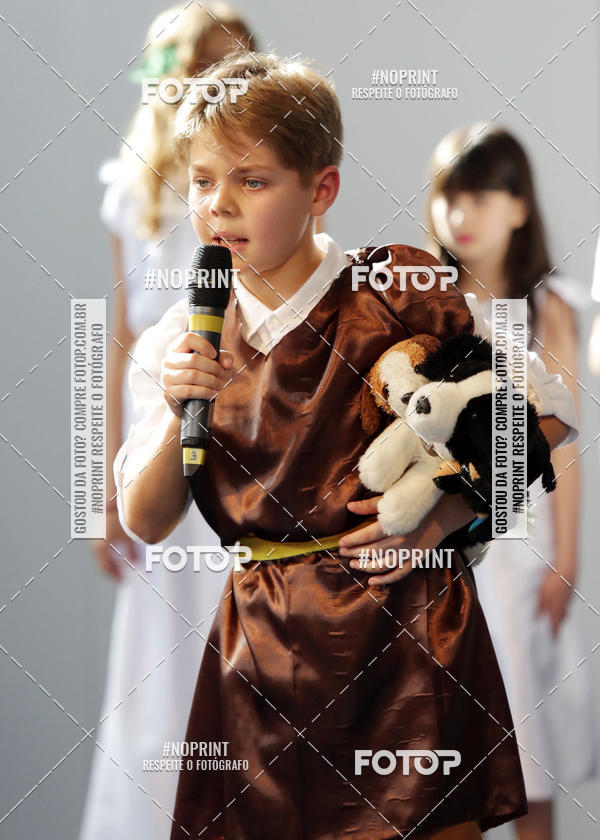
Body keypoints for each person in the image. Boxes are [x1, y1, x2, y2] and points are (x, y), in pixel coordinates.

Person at [115, 53, 579, 840]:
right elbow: (146, 519)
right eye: (201, 182)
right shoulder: (180, 338)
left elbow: (553, 412)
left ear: (320, 190)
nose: (219, 205)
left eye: (251, 181)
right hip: (262, 657)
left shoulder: (397, 294)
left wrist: (449, 519)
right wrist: (175, 406)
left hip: (407, 654)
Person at [79, 6, 257, 840]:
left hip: (235, 410)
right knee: (160, 649)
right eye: (201, 67)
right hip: (158, 415)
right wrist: (100, 487)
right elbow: (118, 336)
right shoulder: (136, 186)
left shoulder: (252, 176)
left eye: (234, 66)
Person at [424, 124, 598, 840]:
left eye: (480, 197)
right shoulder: (427, 306)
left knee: (531, 743)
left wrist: (565, 558)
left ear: (519, 206)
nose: (459, 215)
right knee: (445, 748)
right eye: (448, 197)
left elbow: (565, 444)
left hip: (522, 549)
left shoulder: (548, 308)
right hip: (445, 546)